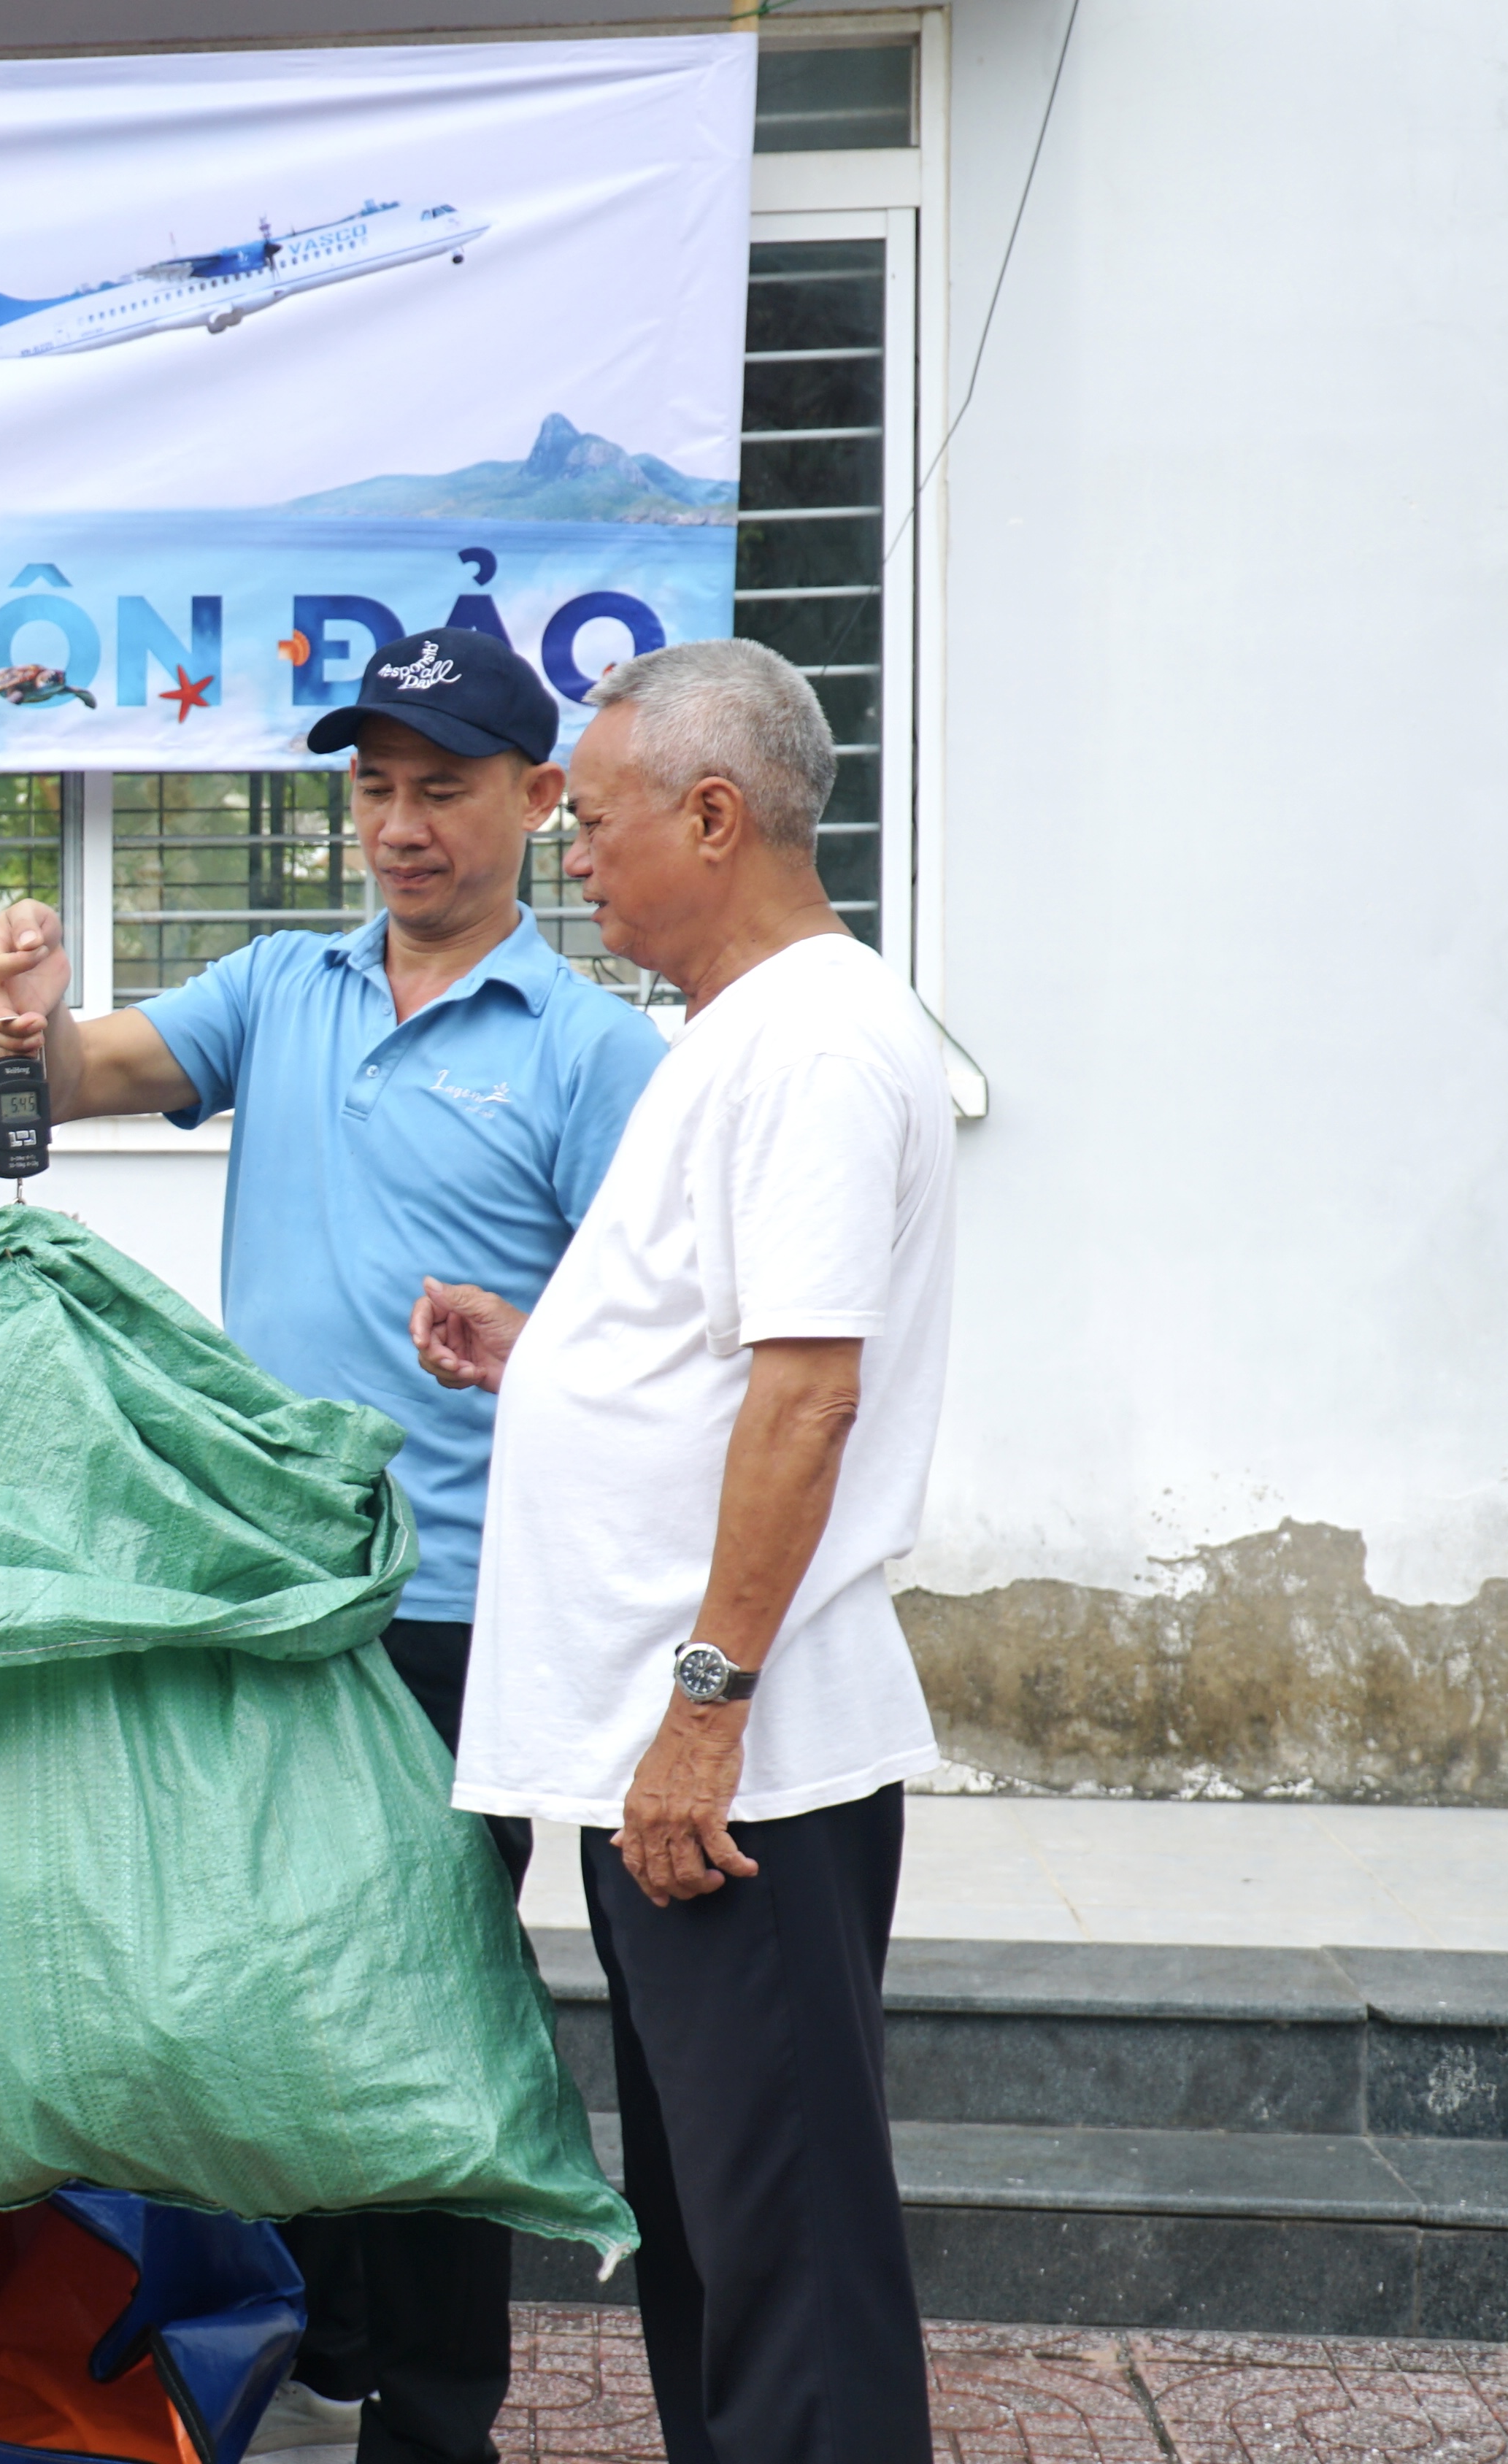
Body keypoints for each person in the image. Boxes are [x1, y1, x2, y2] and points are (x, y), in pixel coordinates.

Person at [0, 628, 665, 2464]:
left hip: (464, 1610)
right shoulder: (283, 987)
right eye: (373, 787)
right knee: (269, 1983)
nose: (401, 826)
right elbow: (86, 1079)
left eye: (443, 788)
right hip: (271, 1594)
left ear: (533, 800)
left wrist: (539, 1352)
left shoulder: (594, 1051)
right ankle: (324, 2342)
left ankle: (436, 2417)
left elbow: (669, 1337)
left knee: (426, 2008)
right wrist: (24, 1021)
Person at [416, 638, 955, 2464]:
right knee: (717, 2237)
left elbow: (807, 1402)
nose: (570, 848)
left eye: (595, 811)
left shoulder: (810, 1043)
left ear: (714, 816)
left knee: (785, 2245)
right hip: (693, 1748)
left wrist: (706, 1708)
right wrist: (549, 1349)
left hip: (745, 1758)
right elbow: (722, 1348)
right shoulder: (740, 1032)